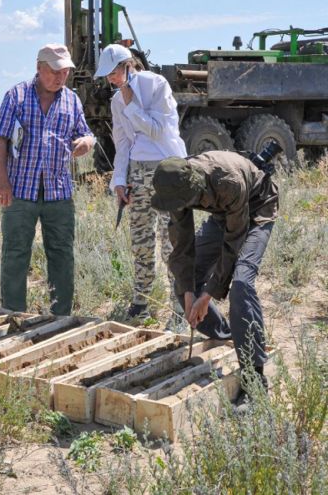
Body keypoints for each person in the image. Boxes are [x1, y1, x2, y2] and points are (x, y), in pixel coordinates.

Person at [151, 151, 278, 388]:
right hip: (225, 215)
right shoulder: (175, 186)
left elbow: (233, 245)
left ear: (194, 189)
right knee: (183, 278)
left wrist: (207, 294)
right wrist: (189, 293)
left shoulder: (227, 181)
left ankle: (254, 377)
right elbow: (182, 244)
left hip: (257, 209)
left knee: (241, 284)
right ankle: (228, 335)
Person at [0, 43, 95, 315]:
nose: (60, 77)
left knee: (62, 255)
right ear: (39, 68)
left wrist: (86, 142)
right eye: (55, 71)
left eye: (65, 72)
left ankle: (60, 316)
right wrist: (1, 181)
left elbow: (85, 133)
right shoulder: (16, 96)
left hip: (58, 192)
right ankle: (13, 314)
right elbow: (0, 137)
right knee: (15, 254)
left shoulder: (71, 99)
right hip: (19, 190)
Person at [94, 44, 187, 322]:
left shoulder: (156, 84)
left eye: (113, 72)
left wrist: (132, 103)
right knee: (141, 240)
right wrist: (119, 181)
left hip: (167, 170)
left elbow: (159, 131)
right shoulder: (115, 101)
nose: (110, 78)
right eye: (107, 75)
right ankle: (142, 300)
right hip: (137, 173)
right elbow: (122, 143)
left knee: (172, 242)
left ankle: (180, 307)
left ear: (126, 65)